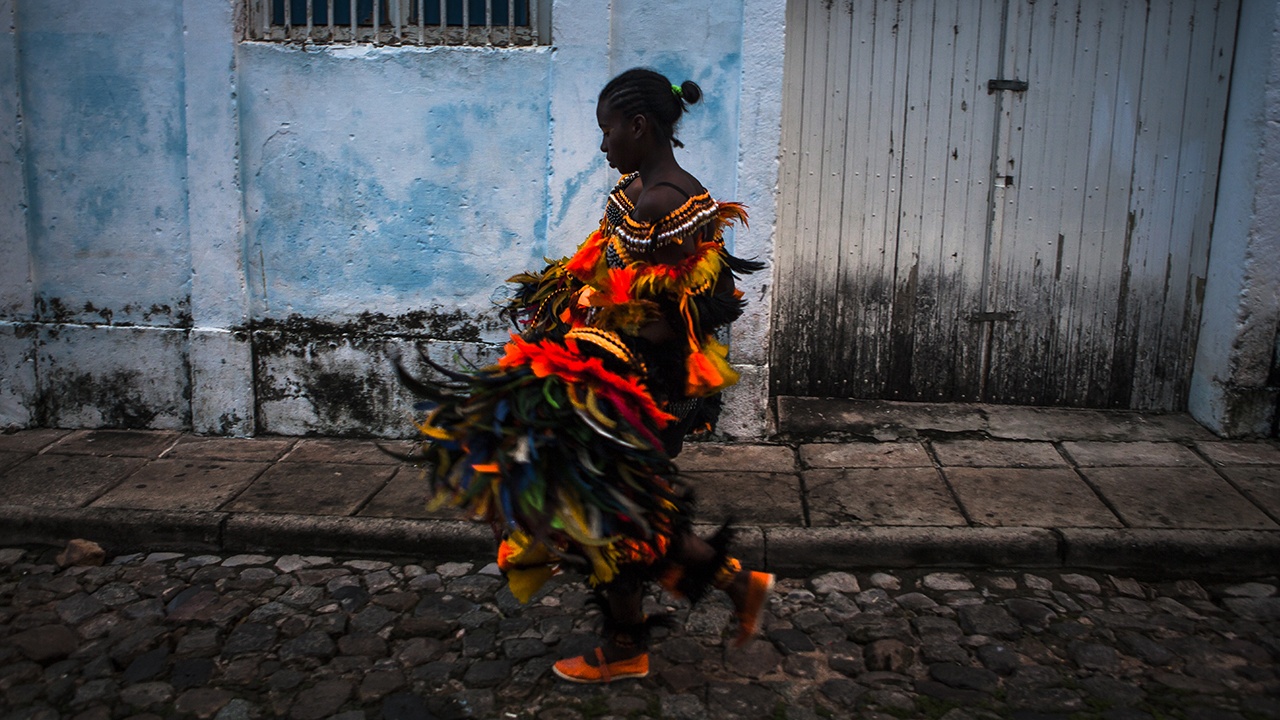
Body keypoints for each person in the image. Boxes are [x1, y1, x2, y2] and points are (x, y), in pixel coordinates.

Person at [397, 67, 772, 685]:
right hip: (611, 376)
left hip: (631, 390)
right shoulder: (639, 187)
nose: (602, 146)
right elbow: (605, 274)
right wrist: (567, 309)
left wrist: (590, 346)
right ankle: (735, 587)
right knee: (614, 512)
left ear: (639, 126)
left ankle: (630, 646)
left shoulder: (666, 201)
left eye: (607, 132)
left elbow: (682, 317)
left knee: (596, 511)